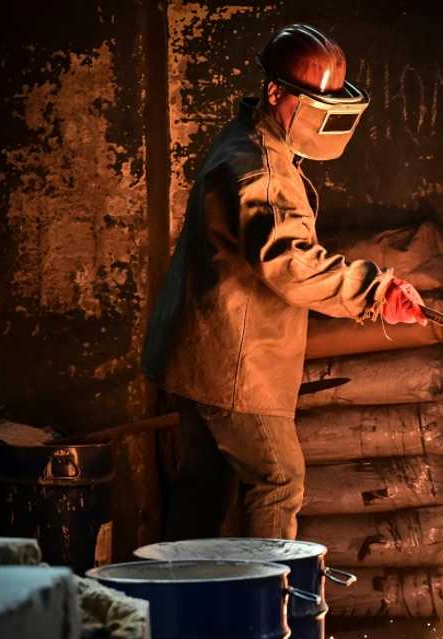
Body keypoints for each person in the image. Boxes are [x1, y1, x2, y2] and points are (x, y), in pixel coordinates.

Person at [143, 23, 425, 542]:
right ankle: (271, 596)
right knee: (278, 479)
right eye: (311, 107)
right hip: (233, 364)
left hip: (199, 355)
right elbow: (290, 263)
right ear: (275, 93)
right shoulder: (261, 171)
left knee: (203, 489)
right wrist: (374, 292)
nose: (319, 123)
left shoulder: (245, 139)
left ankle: (182, 594)